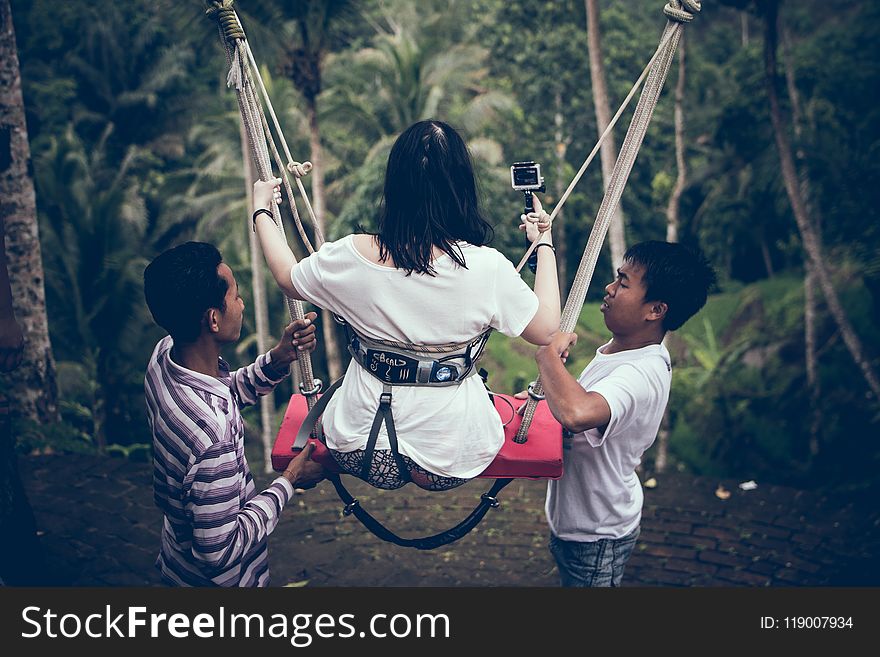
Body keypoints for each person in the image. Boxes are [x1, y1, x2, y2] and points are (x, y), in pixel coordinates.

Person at [253, 119, 560, 491]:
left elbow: (287, 276)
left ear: (394, 187)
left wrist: (262, 211)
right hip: (450, 451)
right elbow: (546, 329)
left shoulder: (352, 255)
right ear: (461, 188)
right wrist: (543, 243)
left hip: (358, 442)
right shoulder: (486, 267)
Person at [527, 240, 715, 587]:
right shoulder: (622, 351)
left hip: (596, 534)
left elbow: (577, 412)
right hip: (581, 523)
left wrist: (546, 353)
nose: (609, 289)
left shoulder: (641, 373)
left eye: (624, 283)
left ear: (655, 310)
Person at [143, 241, 325, 587]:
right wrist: (290, 480)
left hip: (177, 564)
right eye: (236, 297)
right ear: (213, 319)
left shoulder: (164, 357)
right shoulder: (212, 439)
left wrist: (278, 358)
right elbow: (219, 553)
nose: (241, 305)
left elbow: (223, 394)